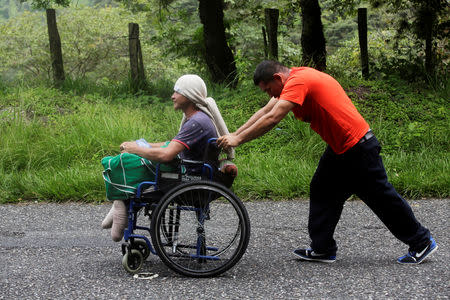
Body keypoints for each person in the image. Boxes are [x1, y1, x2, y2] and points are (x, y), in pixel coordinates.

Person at [217, 60, 437, 264]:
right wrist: (236, 134)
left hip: (358, 147)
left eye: (268, 89)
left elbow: (273, 118)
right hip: (340, 148)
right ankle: (322, 248)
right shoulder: (293, 79)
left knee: (381, 198)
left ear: (277, 78)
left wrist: (238, 139)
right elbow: (265, 111)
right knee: (322, 188)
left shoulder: (298, 81)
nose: (269, 95)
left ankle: (422, 242)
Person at [102, 74, 236, 242]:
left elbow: (167, 154)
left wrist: (135, 149)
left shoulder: (197, 122)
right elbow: (171, 144)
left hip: (185, 177)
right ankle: (120, 203)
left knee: (124, 162)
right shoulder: (197, 118)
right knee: (132, 158)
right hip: (188, 169)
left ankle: (119, 204)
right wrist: (144, 145)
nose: (172, 96)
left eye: (176, 92)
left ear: (189, 95)